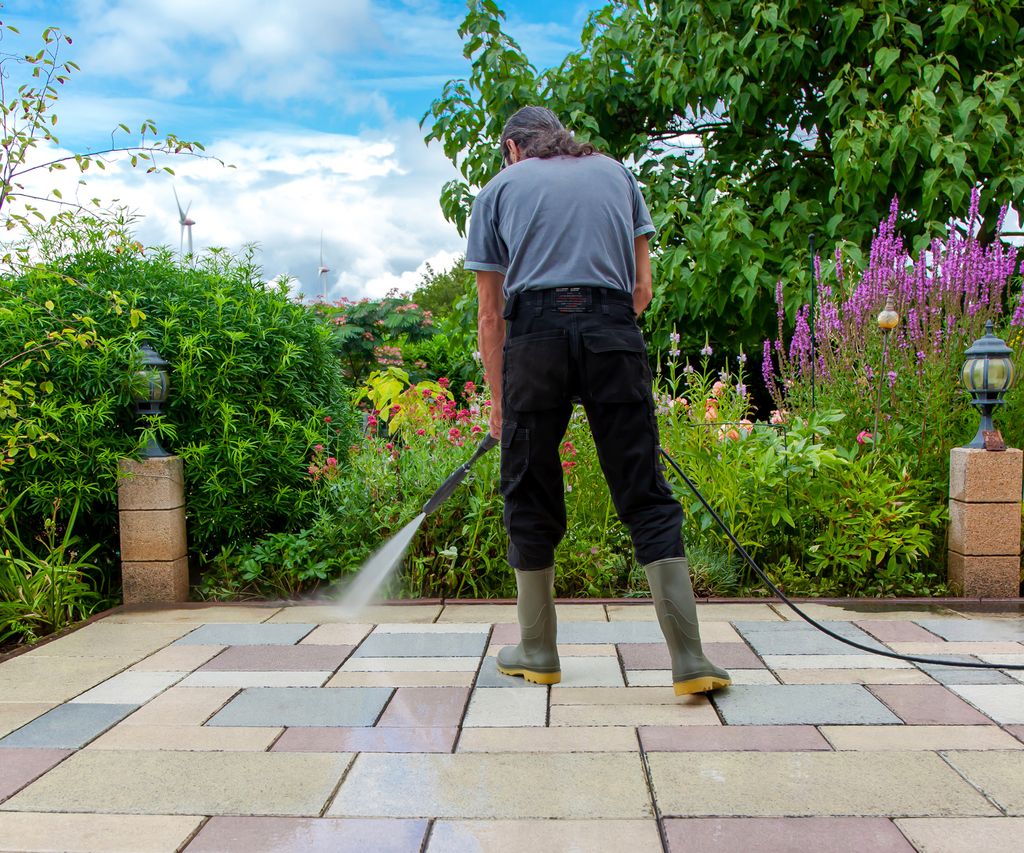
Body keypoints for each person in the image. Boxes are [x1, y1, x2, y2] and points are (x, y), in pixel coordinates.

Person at [465, 106, 730, 696]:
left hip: (533, 338)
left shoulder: (498, 190)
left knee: (529, 485)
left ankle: (537, 649)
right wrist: (599, 332)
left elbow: (489, 314)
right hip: (612, 329)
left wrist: (499, 399)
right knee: (644, 489)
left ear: (513, 148)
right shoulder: (617, 174)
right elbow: (641, 290)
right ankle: (689, 660)